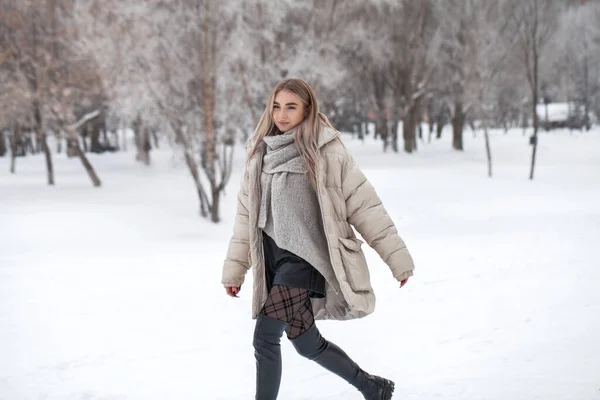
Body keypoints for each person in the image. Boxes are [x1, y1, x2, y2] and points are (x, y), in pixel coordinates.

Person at [221, 77, 415, 400]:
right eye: (277, 106)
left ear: (307, 109)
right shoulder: (260, 155)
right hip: (274, 262)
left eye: (291, 107)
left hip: (304, 261)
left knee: (265, 338)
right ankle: (373, 388)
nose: (282, 115)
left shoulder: (326, 151)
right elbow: (245, 220)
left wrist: (398, 261)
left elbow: (366, 206)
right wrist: (235, 270)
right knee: (308, 343)